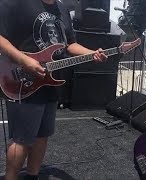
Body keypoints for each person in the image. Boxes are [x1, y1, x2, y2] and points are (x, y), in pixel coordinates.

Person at [0, 0, 107, 179]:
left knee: (43, 135)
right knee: (22, 140)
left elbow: (69, 44)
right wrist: (24, 60)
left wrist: (91, 53)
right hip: (23, 81)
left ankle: (33, 176)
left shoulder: (62, 9)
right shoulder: (17, 2)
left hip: (50, 83)